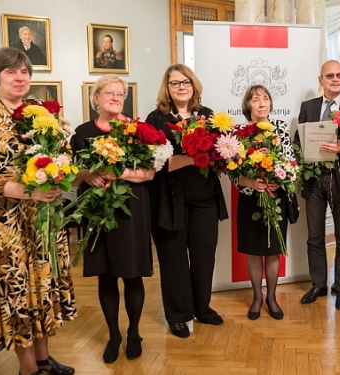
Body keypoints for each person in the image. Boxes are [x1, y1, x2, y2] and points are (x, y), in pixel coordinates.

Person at [0, 47, 76, 375]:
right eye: (11, 72)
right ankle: (28, 368)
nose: (20, 77)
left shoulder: (40, 110)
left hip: (43, 220)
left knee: (43, 287)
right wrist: (21, 189)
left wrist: (61, 173)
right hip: (5, 225)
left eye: (24, 72)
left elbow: (65, 152)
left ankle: (44, 360)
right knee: (16, 292)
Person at [69, 74, 155, 363]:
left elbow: (150, 173)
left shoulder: (137, 130)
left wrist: (117, 174)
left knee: (132, 274)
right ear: (96, 98)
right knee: (106, 275)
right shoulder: (81, 133)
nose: (116, 98)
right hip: (97, 213)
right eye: (110, 93)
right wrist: (86, 174)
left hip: (133, 210)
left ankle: (133, 333)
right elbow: (72, 176)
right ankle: (114, 334)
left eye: (121, 94)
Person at [146, 64, 228, 338]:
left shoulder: (207, 116)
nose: (181, 87)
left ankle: (202, 308)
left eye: (186, 82)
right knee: (174, 260)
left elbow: (218, 154)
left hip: (205, 198)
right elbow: (153, 163)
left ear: (194, 85)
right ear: (166, 88)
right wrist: (192, 158)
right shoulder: (155, 119)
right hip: (169, 201)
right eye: (175, 83)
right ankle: (179, 315)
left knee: (205, 256)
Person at [295, 60, 340, 311]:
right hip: (313, 181)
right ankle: (318, 284)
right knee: (314, 236)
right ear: (320, 80)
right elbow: (298, 139)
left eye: (339, 75)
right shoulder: (309, 107)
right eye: (329, 76)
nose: (335, 79)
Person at [234, 84, 294, 320]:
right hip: (250, 199)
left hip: (274, 197)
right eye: (256, 99)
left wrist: (279, 181)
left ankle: (272, 297)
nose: (261, 103)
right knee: (254, 251)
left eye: (265, 98)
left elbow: (290, 163)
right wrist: (249, 182)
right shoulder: (239, 132)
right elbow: (231, 170)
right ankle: (257, 297)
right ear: (248, 105)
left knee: (272, 251)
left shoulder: (280, 128)